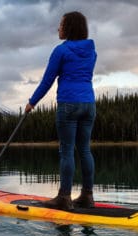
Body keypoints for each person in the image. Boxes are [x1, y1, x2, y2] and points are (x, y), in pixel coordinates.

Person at [25, 11, 97, 210]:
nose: (58, 28)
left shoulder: (61, 51)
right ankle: (87, 196)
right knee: (84, 150)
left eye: (61, 24)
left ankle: (64, 197)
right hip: (89, 104)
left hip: (69, 104)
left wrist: (32, 102)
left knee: (67, 151)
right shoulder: (92, 51)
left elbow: (47, 80)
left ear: (69, 28)